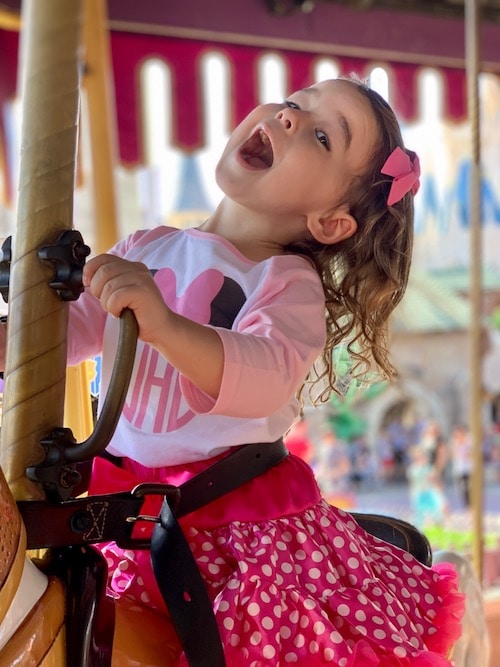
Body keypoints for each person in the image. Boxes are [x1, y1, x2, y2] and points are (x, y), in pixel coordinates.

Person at [0, 77, 463, 665]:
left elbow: (262, 376)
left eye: (321, 136)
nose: (291, 118)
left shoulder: (286, 284)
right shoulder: (148, 247)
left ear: (329, 222)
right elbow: (61, 338)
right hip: (126, 517)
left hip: (235, 539)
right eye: (295, 103)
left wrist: (164, 323)